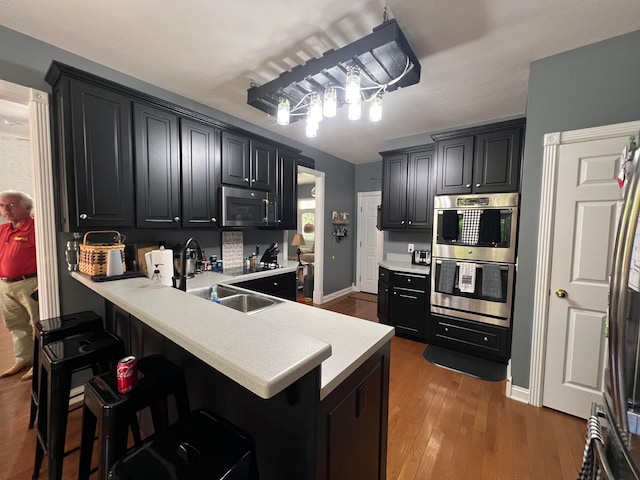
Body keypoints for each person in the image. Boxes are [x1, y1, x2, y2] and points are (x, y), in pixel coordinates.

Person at [0, 190, 38, 380]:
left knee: (37, 325)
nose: (5, 209)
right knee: (16, 325)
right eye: (2, 205)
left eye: (11, 205)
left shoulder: (36, 229)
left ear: (28, 207)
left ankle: (39, 363)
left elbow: (48, 257)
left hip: (29, 283)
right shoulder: (4, 229)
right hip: (6, 285)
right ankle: (24, 359)